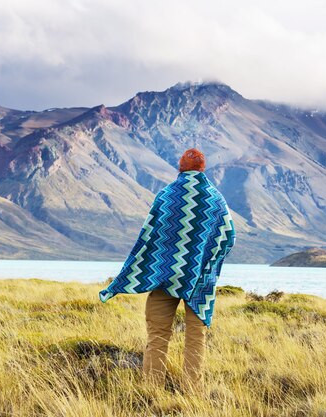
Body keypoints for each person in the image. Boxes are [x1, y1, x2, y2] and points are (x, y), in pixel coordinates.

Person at [99, 148, 236, 390]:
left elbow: (149, 236)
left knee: (158, 336)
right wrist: (206, 265)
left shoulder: (166, 195)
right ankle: (192, 392)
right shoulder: (215, 198)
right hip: (199, 282)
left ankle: (152, 390)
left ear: (180, 167)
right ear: (203, 168)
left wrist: (156, 264)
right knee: (196, 338)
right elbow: (228, 237)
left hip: (163, 277)